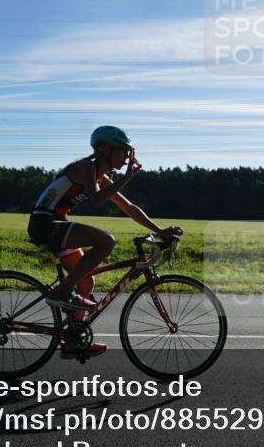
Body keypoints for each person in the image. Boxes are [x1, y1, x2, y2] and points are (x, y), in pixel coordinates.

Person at [27, 125, 183, 356]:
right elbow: (98, 199)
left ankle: (73, 340)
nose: (127, 157)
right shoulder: (86, 167)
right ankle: (62, 291)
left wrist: (159, 231)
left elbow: (128, 208)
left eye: (128, 151)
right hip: (45, 224)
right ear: (104, 150)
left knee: (87, 282)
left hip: (55, 223)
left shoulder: (101, 175)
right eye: (123, 151)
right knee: (105, 241)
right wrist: (128, 177)